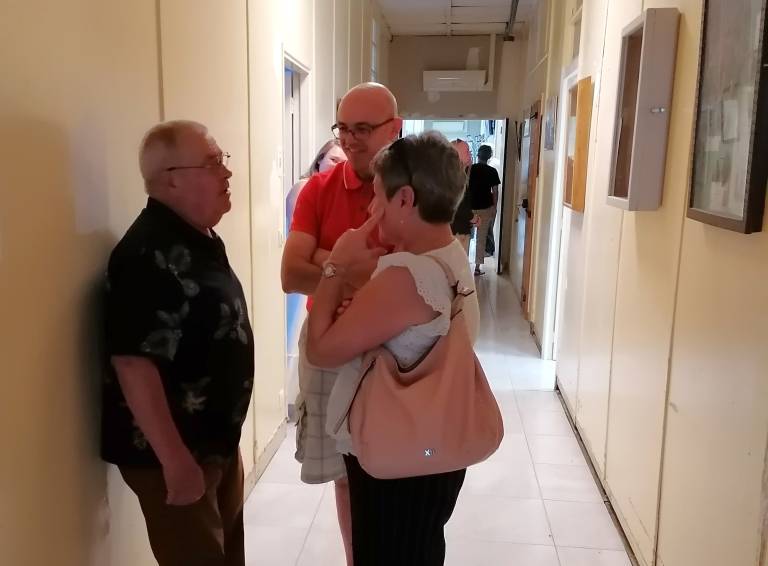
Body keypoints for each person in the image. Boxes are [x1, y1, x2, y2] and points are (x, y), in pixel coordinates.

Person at [306, 132, 480, 565]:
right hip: (428, 450)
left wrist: (337, 264)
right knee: (420, 548)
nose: (370, 209)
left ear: (404, 199)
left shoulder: (407, 275)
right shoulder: (448, 255)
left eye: (377, 196)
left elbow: (321, 349)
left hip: (398, 461)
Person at [102, 120, 253, 566]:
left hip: (212, 443)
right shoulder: (146, 254)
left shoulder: (197, 237)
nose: (226, 172)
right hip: (174, 453)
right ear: (171, 179)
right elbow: (133, 364)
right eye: (212, 163)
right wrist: (176, 461)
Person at [280, 82, 402, 565]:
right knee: (346, 474)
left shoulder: (412, 189)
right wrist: (354, 268)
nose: (349, 141)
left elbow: (418, 272)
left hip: (395, 346)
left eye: (363, 129)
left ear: (394, 129)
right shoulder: (318, 189)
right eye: (343, 128)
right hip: (330, 344)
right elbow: (291, 274)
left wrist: (328, 263)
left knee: (395, 467)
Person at [285, 139, 347, 232]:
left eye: (343, 163)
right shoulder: (303, 186)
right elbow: (296, 230)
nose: (337, 166)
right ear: (320, 159)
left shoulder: (338, 193)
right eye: (333, 160)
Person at [468, 144, 501, 276]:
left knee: (466, 237)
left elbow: (464, 187)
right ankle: (477, 268)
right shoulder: (492, 171)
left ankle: (464, 266)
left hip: (470, 208)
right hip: (486, 208)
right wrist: (494, 207)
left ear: (478, 155)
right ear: (489, 156)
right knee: (481, 239)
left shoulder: (469, 169)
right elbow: (495, 191)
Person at [449, 139, 477, 255]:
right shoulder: (454, 176)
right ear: (456, 155)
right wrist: (473, 217)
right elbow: (458, 204)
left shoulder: (461, 173)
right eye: (467, 151)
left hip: (460, 229)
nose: (470, 154)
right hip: (457, 231)